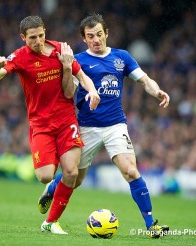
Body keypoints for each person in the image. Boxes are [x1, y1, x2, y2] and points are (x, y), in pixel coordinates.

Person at [38, 13, 170, 238]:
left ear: (106, 33)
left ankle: (151, 226)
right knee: (75, 180)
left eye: (99, 34)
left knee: (131, 170)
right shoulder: (78, 60)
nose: (96, 39)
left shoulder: (122, 57)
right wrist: (68, 70)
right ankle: (53, 187)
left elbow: (145, 80)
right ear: (84, 39)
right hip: (86, 126)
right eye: (90, 36)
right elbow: (67, 91)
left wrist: (156, 91)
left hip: (115, 125)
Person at [0, 15, 100, 234]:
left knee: (71, 172)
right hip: (40, 126)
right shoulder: (19, 57)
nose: (38, 41)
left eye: (41, 35)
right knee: (45, 176)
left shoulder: (61, 50)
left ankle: (50, 222)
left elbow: (82, 76)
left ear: (45, 32)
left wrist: (92, 90)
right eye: (32, 38)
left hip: (67, 120)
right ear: (23, 37)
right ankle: (52, 186)